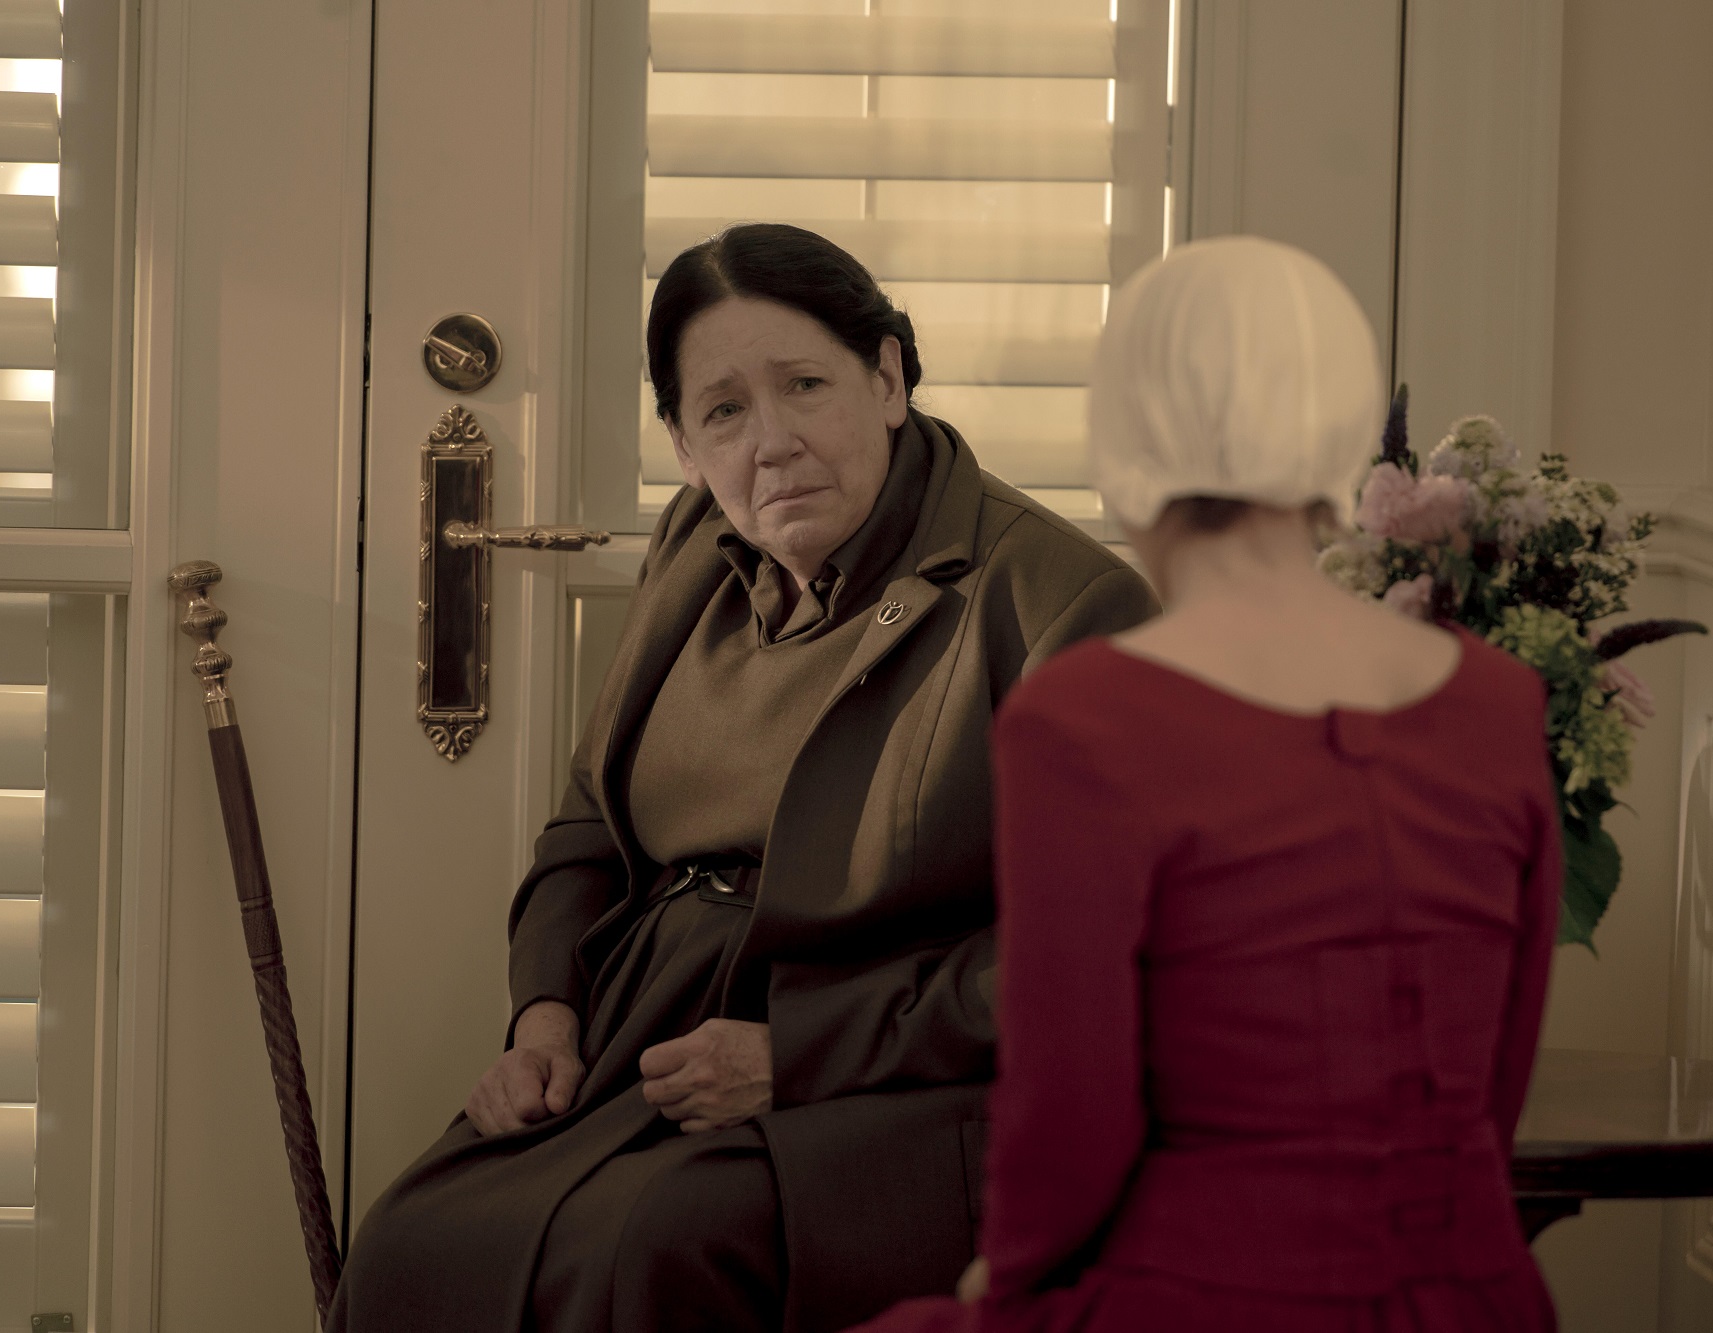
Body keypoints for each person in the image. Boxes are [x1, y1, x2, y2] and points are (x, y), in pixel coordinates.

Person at [329, 223, 1157, 1333]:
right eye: (722, 411)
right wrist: (544, 1020)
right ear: (682, 445)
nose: (772, 443)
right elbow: (589, 820)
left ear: (887, 378)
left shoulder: (1065, 604)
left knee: (654, 1245)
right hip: (641, 1036)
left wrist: (795, 1056)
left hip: (902, 1082)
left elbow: (1094, 958)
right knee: (407, 1241)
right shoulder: (694, 545)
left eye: (805, 385)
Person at [855, 237, 1562, 1333]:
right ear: (1339, 441)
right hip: (1476, 1296)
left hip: (1204, 1294)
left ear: (1126, 444)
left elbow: (1073, 1111)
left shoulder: (1086, 720)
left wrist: (1007, 1274)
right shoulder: (1499, 700)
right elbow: (1495, 1087)